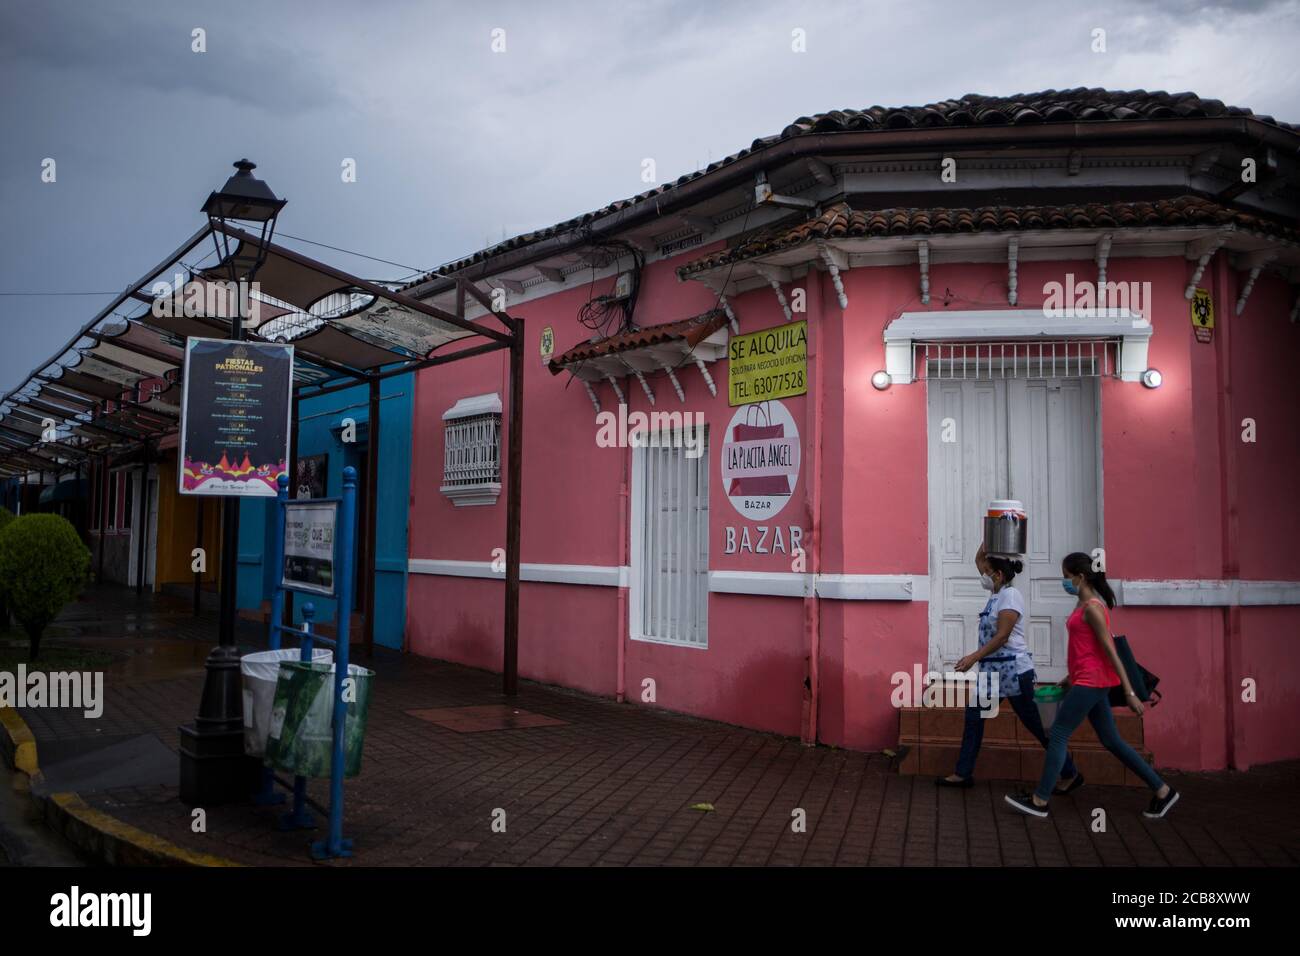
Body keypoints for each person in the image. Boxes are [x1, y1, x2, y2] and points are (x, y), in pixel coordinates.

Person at [1005, 552, 1179, 819]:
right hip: (1086, 679)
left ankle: (1040, 800)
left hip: (1092, 682)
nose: (1064, 582)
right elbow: (1085, 650)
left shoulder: (1093, 609)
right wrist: (1067, 678)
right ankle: (1163, 790)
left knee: (1058, 734)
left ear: (1081, 577)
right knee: (1111, 740)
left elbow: (1110, 652)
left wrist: (1130, 693)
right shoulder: (1082, 604)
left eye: (1067, 577)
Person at [936, 543, 1081, 791]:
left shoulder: (1010, 596)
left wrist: (973, 657)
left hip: (1014, 671)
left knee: (1036, 724)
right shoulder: (995, 595)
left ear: (999, 575)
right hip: (993, 672)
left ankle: (1070, 772)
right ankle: (963, 773)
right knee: (974, 716)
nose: (983, 575)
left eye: (988, 573)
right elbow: (979, 557)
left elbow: (1002, 636)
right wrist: (993, 529)